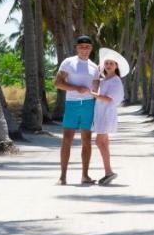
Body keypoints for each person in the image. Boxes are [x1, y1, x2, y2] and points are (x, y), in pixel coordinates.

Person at [54, 35, 99, 185]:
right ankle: (62, 176)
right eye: (81, 47)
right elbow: (58, 83)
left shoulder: (95, 67)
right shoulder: (68, 62)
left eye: (87, 47)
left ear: (91, 48)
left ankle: (85, 176)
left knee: (87, 140)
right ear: (77, 48)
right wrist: (76, 88)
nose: (84, 50)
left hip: (88, 105)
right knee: (67, 139)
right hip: (72, 104)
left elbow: (96, 89)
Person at [91, 48, 128, 185]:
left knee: (100, 142)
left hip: (106, 114)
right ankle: (108, 172)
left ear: (116, 66)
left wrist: (93, 94)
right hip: (100, 113)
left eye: (111, 63)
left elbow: (109, 99)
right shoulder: (105, 79)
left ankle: (109, 171)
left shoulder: (116, 80)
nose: (108, 66)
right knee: (103, 142)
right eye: (106, 63)